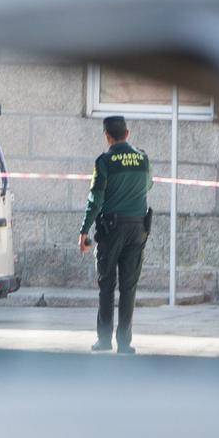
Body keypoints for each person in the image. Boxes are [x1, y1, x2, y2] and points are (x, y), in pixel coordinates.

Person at [77, 115, 153, 354]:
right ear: (127, 133)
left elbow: (95, 199)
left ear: (107, 136)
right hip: (138, 229)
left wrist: (84, 229)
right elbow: (148, 184)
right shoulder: (143, 159)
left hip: (111, 230)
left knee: (107, 284)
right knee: (129, 286)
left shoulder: (105, 161)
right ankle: (124, 342)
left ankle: (103, 340)